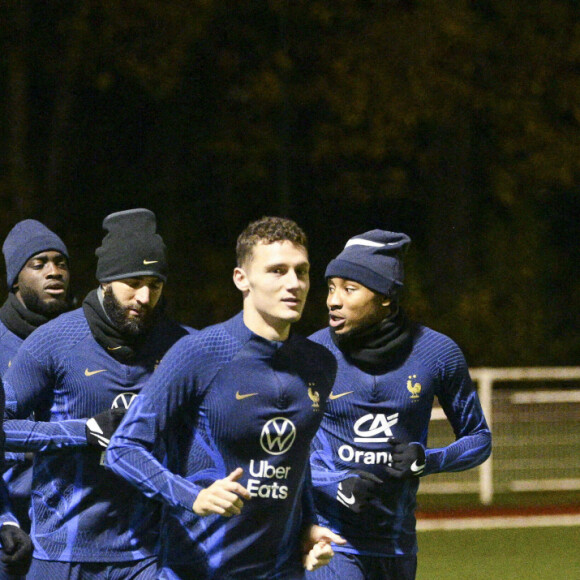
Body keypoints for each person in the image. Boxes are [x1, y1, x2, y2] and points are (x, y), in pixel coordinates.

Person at [106, 216, 345, 579]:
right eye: (277, 271)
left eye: (302, 271)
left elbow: (297, 460)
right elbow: (122, 450)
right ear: (241, 279)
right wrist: (193, 496)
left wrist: (309, 527)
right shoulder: (199, 353)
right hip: (197, 571)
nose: (294, 284)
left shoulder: (319, 364)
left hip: (281, 571)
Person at [2, 209, 192, 579]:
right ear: (105, 281)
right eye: (132, 282)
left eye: (155, 285)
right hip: (62, 552)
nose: (144, 297)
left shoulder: (183, 347)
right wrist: (84, 431)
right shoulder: (53, 342)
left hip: (147, 554)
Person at [307, 230, 492, 580]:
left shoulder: (438, 353)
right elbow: (279, 453)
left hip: (398, 546)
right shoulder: (311, 356)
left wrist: (426, 459)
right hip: (331, 542)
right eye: (331, 287)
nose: (333, 300)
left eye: (349, 289)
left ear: (386, 297)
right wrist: (334, 483)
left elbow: (479, 439)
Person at [0, 219, 71, 578]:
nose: (54, 272)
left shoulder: (81, 341)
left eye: (61, 263)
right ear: (15, 280)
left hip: (69, 530)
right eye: (39, 263)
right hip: (10, 526)